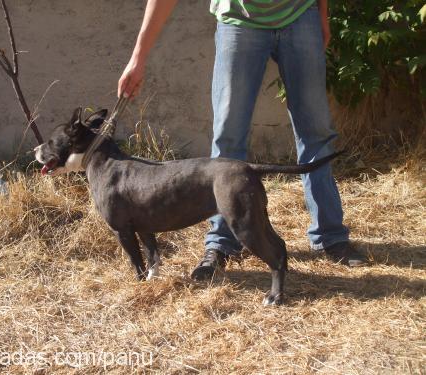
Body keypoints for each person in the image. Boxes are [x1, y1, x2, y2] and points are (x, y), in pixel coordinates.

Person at [118, 0, 367, 280]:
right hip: (239, 22)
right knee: (228, 140)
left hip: (301, 16)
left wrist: (322, 14)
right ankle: (221, 243)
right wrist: (138, 56)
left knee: (316, 133)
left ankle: (331, 236)